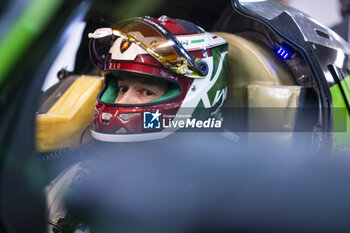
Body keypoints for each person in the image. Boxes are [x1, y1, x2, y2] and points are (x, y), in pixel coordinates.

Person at [45, 15, 229, 233]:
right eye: (122, 88)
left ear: (199, 94)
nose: (122, 102)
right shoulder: (80, 174)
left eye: (146, 91)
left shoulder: (225, 196)